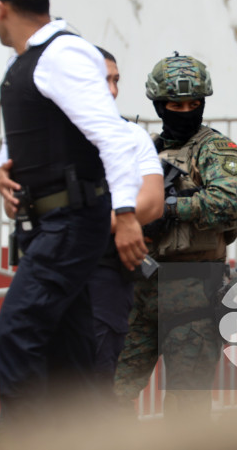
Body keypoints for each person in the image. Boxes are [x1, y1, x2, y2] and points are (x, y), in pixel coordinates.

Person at [0, 0, 145, 427]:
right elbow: (33, 132)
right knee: (70, 349)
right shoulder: (31, 60)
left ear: (2, 7)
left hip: (71, 221)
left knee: (16, 332)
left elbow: (111, 136)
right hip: (53, 223)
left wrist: (127, 213)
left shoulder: (64, 54)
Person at [113, 53, 237, 417]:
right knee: (108, 394)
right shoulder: (148, 149)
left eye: (194, 104)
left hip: (193, 294)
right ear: (159, 105)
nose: (185, 110)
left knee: (186, 407)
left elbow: (228, 200)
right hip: (142, 288)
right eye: (175, 104)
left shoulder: (215, 149)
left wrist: (167, 207)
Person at [85, 47, 164, 391]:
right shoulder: (51, 133)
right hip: (54, 268)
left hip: (107, 269)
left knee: (101, 379)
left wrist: (84, 228)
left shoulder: (132, 136)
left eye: (116, 80)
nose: (113, 90)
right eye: (105, 80)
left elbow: (151, 201)